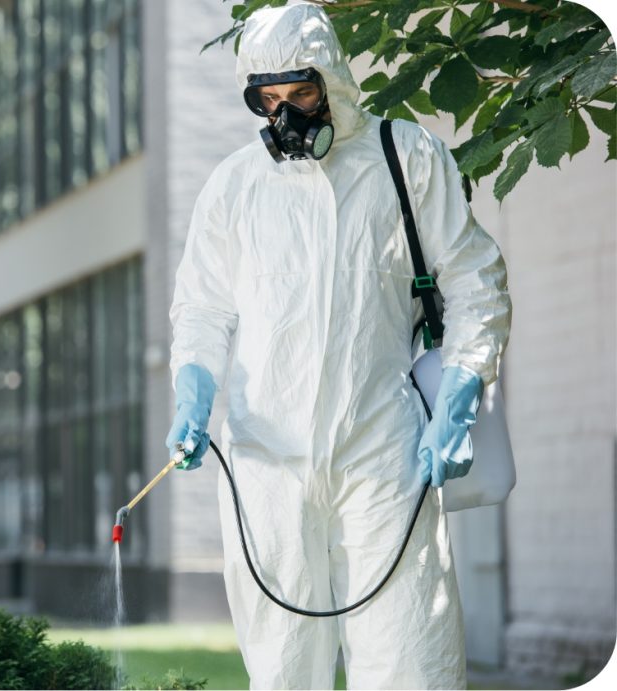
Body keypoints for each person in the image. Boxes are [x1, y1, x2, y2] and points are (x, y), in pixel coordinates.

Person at [166, 2, 512, 689]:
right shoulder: (234, 186)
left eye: (301, 94)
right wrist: (193, 389)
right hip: (266, 461)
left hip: (382, 449)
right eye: (269, 100)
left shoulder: (405, 157)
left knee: (411, 657)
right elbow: (202, 308)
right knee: (284, 667)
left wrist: (463, 394)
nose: (286, 115)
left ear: (332, 81)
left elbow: (476, 281)